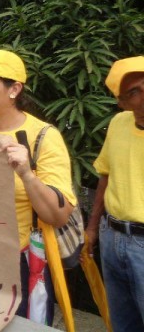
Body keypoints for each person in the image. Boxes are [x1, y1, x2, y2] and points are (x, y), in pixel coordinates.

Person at [0, 49, 76, 325]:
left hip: (19, 265)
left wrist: (26, 174)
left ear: (14, 89)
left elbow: (58, 216)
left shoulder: (44, 136)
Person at [86, 56, 144, 332]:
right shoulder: (120, 123)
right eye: (134, 92)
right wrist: (93, 229)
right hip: (112, 237)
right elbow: (105, 176)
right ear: (122, 102)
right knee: (121, 323)